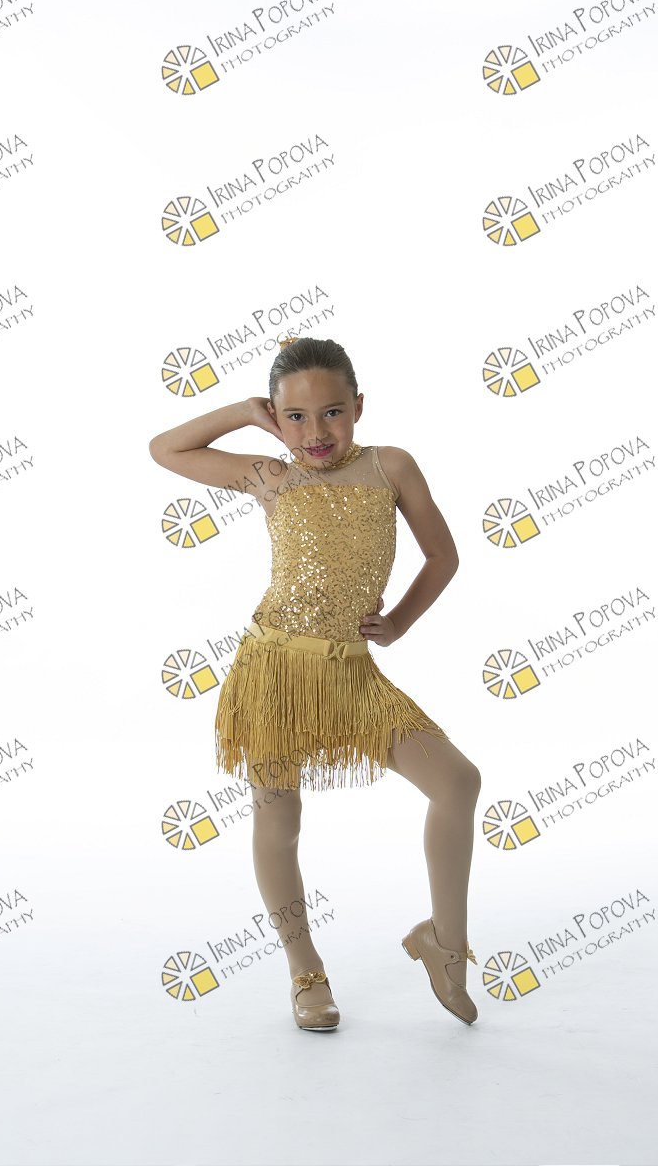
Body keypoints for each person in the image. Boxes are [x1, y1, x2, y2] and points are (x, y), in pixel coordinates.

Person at [149, 336, 482, 1032]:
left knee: (457, 782)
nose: (316, 432)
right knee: (280, 818)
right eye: (295, 417)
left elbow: (443, 556)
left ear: (358, 406)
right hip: (271, 672)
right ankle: (306, 972)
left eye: (332, 412)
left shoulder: (391, 467)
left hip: (351, 673)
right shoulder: (270, 475)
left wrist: (398, 622)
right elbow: (165, 448)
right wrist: (244, 413)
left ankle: (445, 946)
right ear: (276, 417)